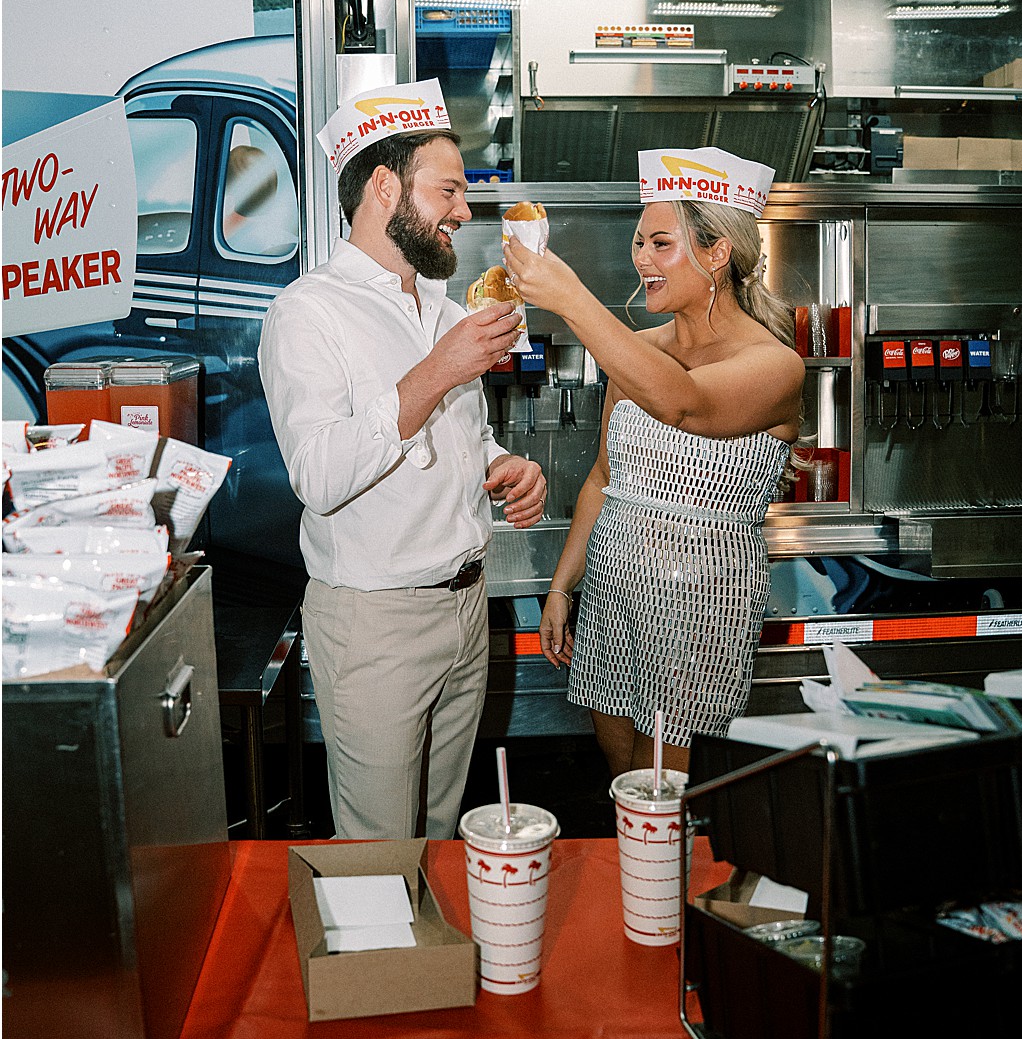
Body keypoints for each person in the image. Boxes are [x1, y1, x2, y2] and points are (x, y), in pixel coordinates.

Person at [258, 80, 546, 839]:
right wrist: (437, 372)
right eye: (447, 190)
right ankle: (385, 960)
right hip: (375, 619)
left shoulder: (444, 311)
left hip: (464, 609)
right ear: (385, 188)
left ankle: (435, 958)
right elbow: (318, 477)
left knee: (442, 830)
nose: (464, 210)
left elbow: (458, 437)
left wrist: (501, 463)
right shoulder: (305, 313)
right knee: (379, 845)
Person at [504, 147, 804, 780]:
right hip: (616, 585)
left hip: (705, 594)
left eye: (659, 244)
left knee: (664, 790)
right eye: (639, 243)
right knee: (622, 781)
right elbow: (604, 479)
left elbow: (683, 404)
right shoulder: (638, 351)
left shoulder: (775, 365)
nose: (640, 259)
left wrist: (571, 299)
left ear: (717, 251)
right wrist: (562, 587)